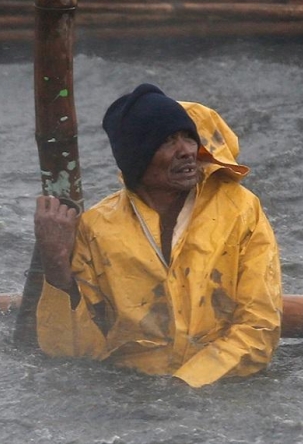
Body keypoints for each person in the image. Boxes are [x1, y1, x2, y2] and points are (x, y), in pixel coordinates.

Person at [34, 83, 282, 388]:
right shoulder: (96, 227)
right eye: (167, 141)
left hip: (223, 388)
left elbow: (259, 329)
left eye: (188, 137)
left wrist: (186, 384)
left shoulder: (240, 210)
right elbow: (72, 354)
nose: (187, 152)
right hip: (130, 393)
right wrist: (56, 266)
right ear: (137, 156)